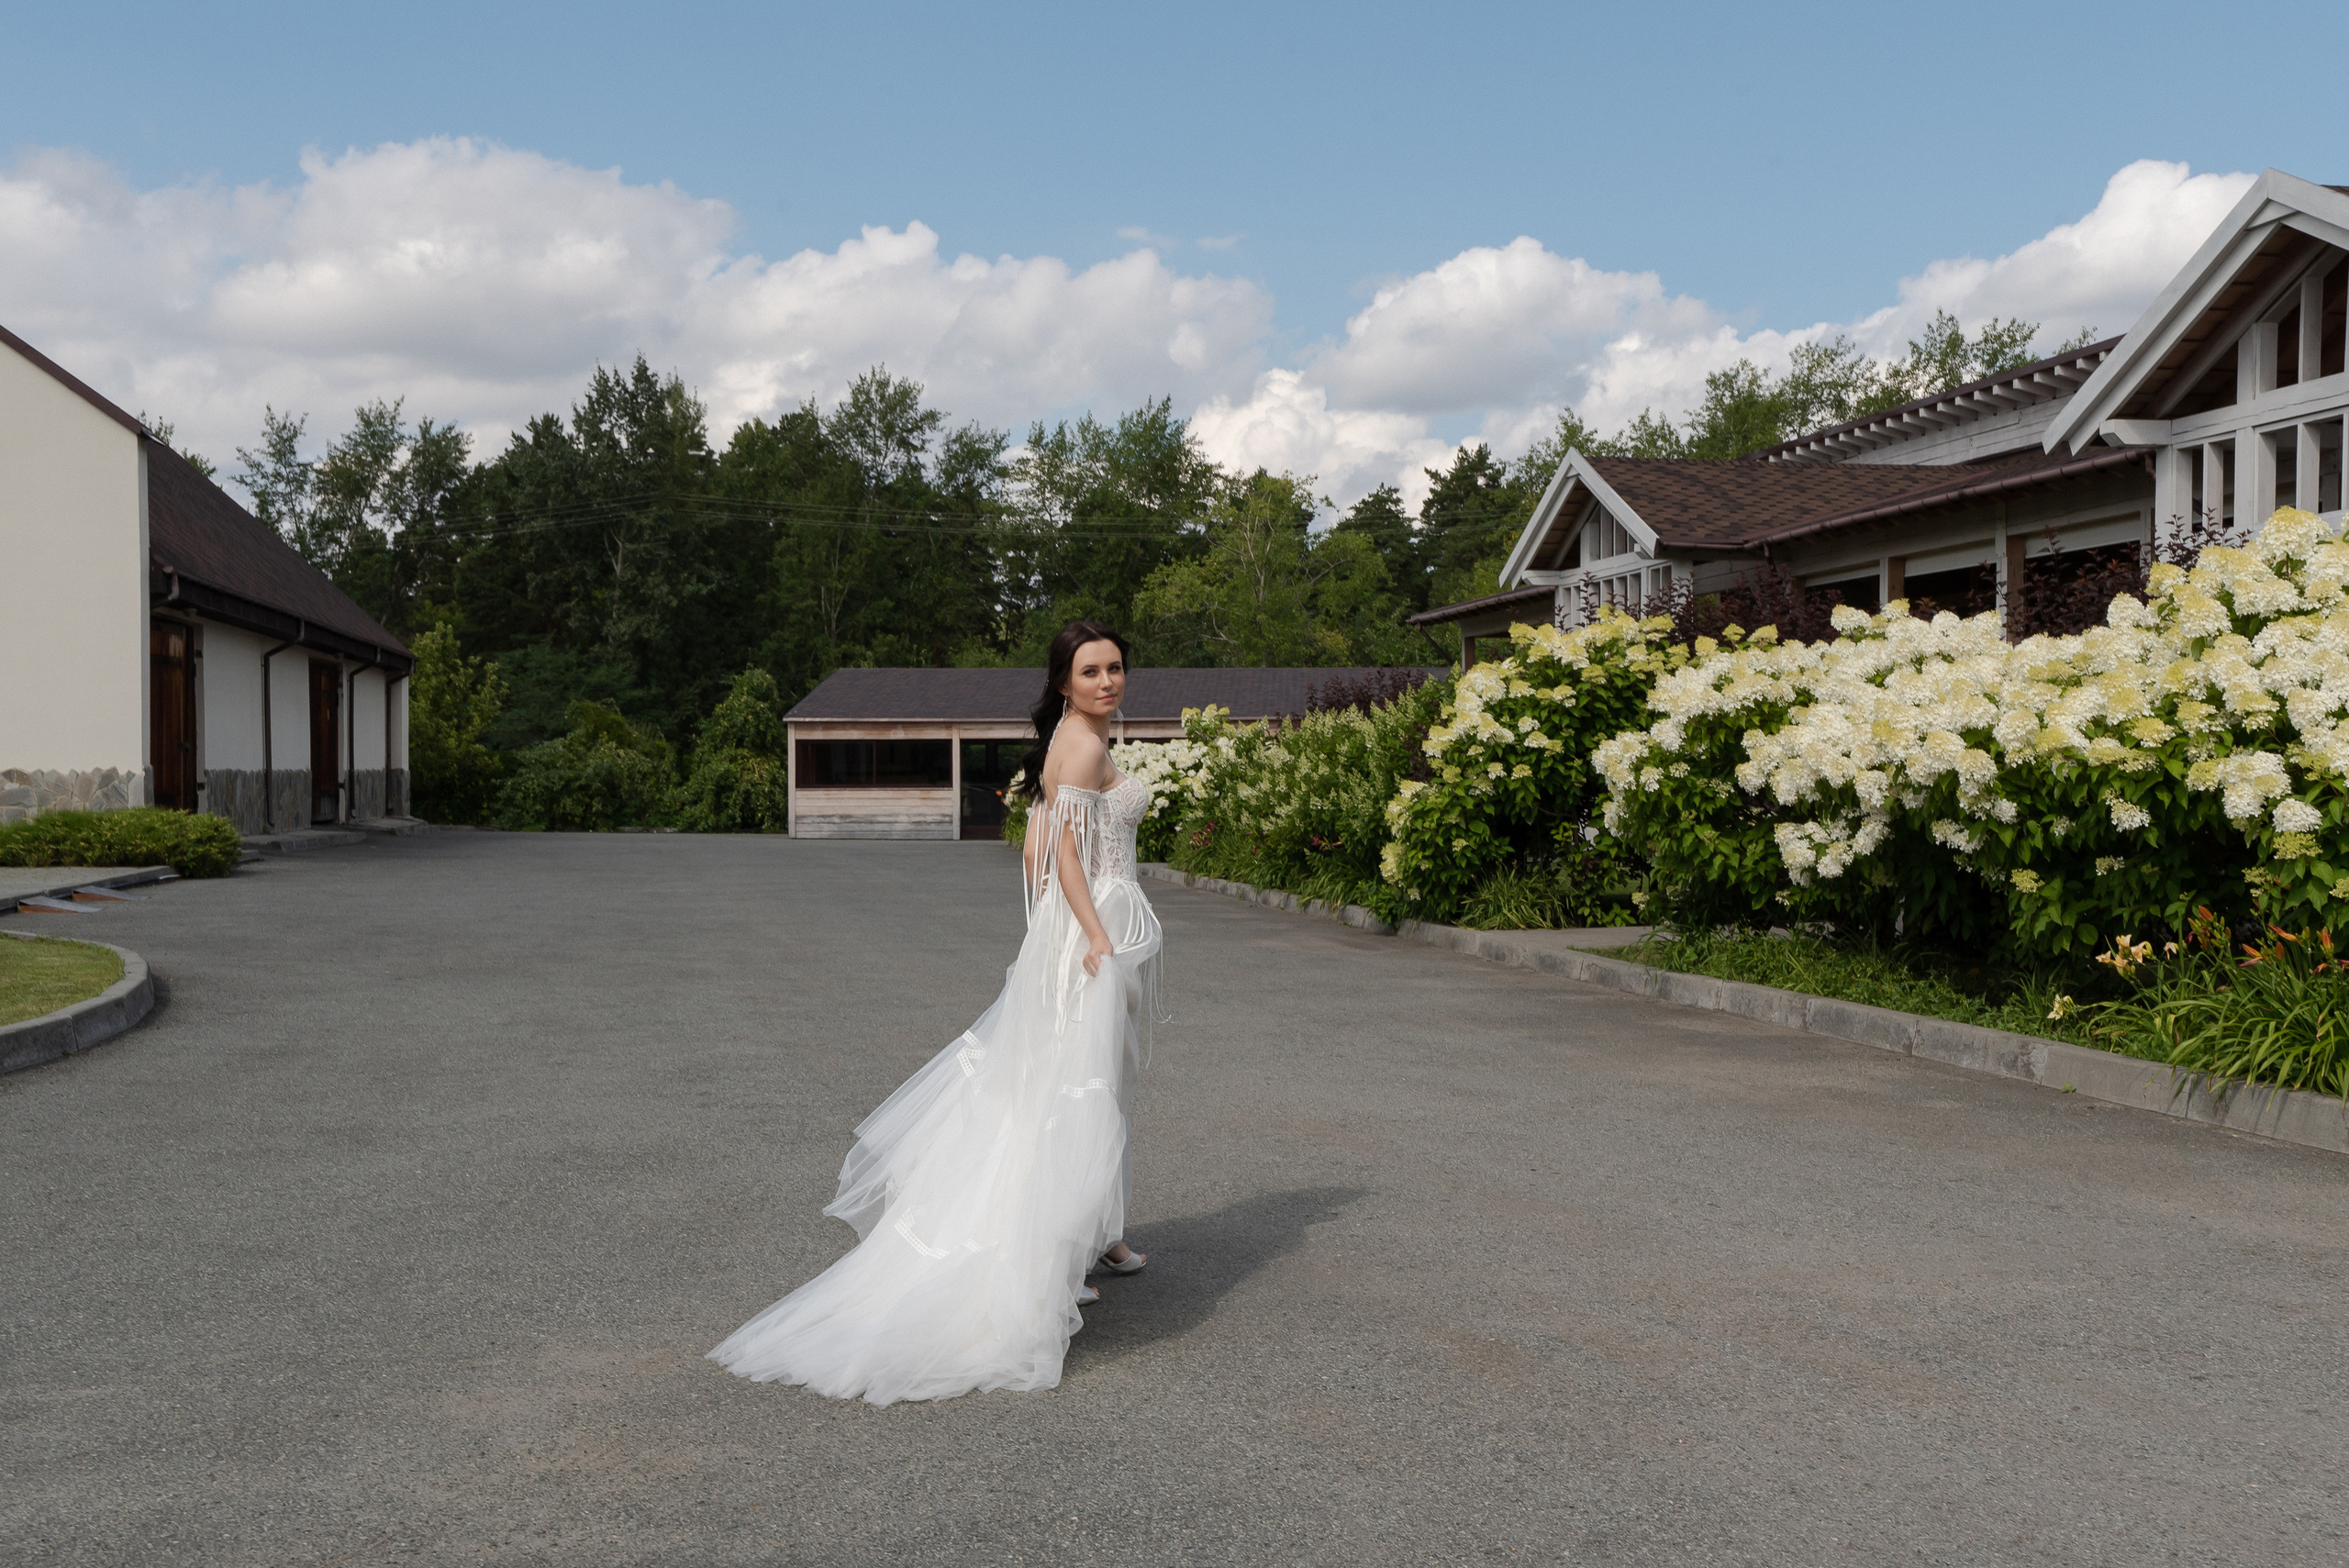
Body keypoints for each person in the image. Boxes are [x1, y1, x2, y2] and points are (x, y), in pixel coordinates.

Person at [707, 621, 1163, 1406]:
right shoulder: (1083, 747)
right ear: (1064, 681)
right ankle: (1055, 1256)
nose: (1107, 681)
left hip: (1073, 933)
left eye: (1115, 667)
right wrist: (1091, 933)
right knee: (1077, 1092)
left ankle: (1099, 1236)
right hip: (1092, 936)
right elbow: (1060, 854)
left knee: (1070, 1084)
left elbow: (1037, 844)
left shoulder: (1067, 741)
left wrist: (1057, 926)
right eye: (1091, 671)